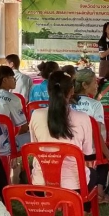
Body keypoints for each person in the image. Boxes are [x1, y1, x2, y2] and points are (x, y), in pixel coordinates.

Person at [29, 71, 102, 199]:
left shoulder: (36, 115)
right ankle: (82, 208)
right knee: (94, 174)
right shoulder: (83, 118)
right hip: (74, 186)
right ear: (72, 90)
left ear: (49, 90)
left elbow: (34, 146)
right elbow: (87, 152)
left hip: (40, 184)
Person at [71, 68, 109, 200]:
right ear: (85, 85)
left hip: (70, 149)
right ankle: (100, 191)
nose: (97, 85)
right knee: (104, 155)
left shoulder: (66, 103)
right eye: (94, 82)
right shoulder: (95, 105)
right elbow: (96, 135)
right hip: (89, 152)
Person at [0, 66, 30, 158]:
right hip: (5, 148)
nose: (15, 80)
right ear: (4, 80)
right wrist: (13, 140)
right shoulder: (14, 99)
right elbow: (24, 128)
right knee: (33, 135)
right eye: (13, 77)